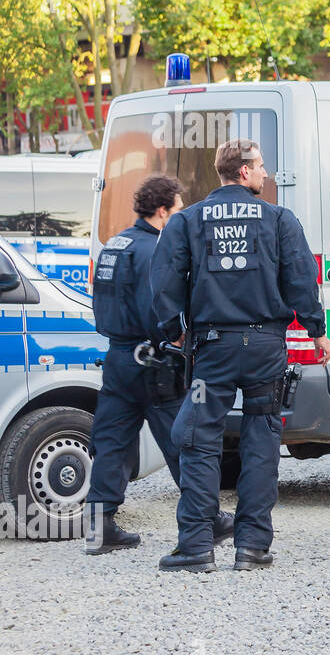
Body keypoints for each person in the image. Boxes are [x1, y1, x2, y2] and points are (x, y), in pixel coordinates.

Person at [152, 139, 330, 573]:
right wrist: (317, 332)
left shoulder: (188, 220)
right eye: (262, 166)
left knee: (198, 442)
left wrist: (174, 332)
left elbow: (162, 282)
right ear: (244, 171)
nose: (267, 173)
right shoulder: (278, 219)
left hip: (212, 349)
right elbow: (301, 280)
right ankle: (252, 547)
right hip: (266, 349)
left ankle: (196, 547)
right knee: (261, 443)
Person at [84, 176, 234, 554]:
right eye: (179, 210)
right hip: (152, 361)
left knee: (112, 442)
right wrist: (177, 340)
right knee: (183, 439)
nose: (181, 217)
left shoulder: (116, 244)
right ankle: (208, 519)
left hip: (118, 357)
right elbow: (157, 309)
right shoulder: (153, 249)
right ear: (163, 211)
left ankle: (100, 526)